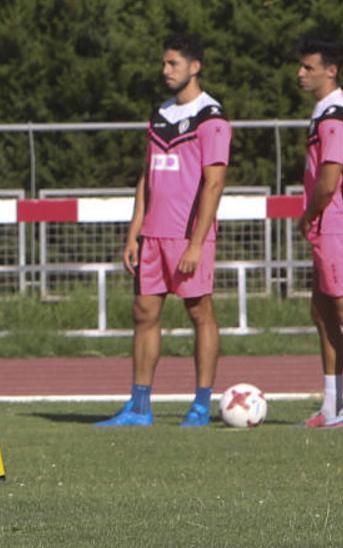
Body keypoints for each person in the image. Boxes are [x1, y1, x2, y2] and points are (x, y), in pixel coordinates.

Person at [96, 34, 231, 428]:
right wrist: (134, 232)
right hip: (153, 236)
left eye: (173, 63)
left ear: (195, 66)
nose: (165, 71)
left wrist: (196, 243)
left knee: (199, 312)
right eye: (164, 63)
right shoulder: (159, 115)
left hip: (188, 237)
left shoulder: (212, 118)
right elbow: (146, 177)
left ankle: (201, 405)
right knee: (143, 313)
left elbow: (213, 184)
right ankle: (139, 407)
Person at [295, 35, 343, 429]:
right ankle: (330, 406)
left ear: (331, 70)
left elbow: (329, 178)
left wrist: (308, 214)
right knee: (323, 313)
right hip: (327, 227)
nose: (300, 73)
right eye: (301, 66)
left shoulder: (337, 112)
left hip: (339, 224)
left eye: (309, 67)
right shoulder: (324, 110)